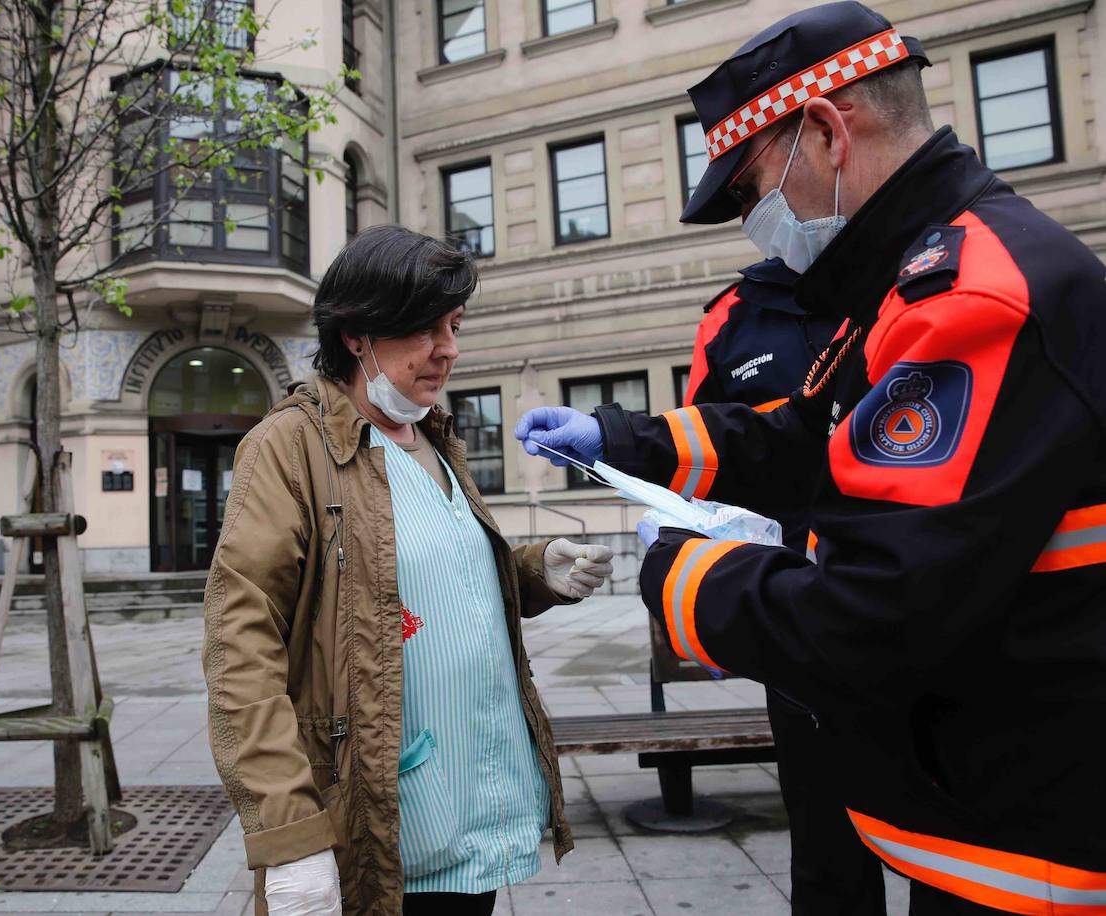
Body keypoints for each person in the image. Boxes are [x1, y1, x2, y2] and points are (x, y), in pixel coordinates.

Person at [516, 3, 1106, 913]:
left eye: (752, 189)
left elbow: (871, 614)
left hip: (1033, 835)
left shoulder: (971, 294)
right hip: (994, 794)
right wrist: (623, 438)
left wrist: (684, 576)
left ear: (827, 133)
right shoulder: (906, 280)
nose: (752, 219)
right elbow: (805, 431)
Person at [203, 225, 615, 916]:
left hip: (474, 807)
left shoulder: (433, 436)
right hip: (390, 830)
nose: (448, 348)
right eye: (425, 328)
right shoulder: (289, 448)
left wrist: (538, 570)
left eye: (454, 325)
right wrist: (287, 835)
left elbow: (442, 577)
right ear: (357, 332)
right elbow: (240, 645)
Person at [687, 260, 885, 915]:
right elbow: (707, 456)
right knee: (826, 843)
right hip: (801, 613)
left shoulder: (898, 277)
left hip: (920, 592)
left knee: (955, 847)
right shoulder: (730, 317)